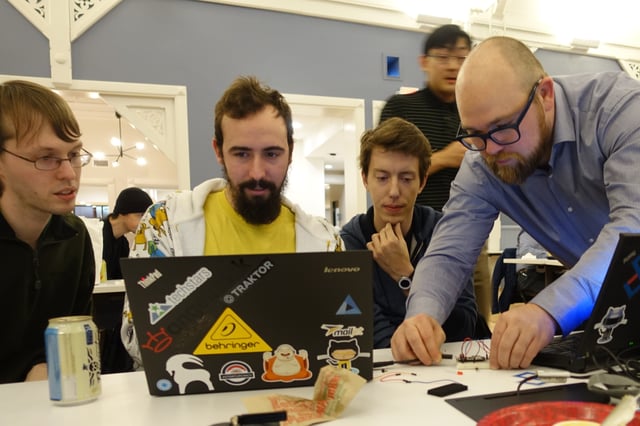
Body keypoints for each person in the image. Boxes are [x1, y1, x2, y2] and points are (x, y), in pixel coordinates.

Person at [391, 36, 640, 369]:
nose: (490, 150)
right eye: (474, 134)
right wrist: (422, 316)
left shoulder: (619, 110)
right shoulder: (482, 161)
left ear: (545, 96)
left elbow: (632, 230)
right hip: (615, 317)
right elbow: (449, 254)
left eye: (502, 128)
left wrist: (547, 310)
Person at [121, 76, 343, 367]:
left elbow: (337, 338)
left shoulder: (325, 240)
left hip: (292, 393)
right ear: (218, 151)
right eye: (241, 154)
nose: (257, 172)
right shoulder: (163, 224)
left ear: (290, 152)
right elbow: (137, 339)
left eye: (272, 154)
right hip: (189, 401)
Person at [379, 24, 492, 319]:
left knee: (473, 315)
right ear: (424, 62)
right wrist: (444, 158)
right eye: (443, 57)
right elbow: (386, 163)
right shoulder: (402, 106)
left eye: (462, 58)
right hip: (411, 230)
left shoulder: (475, 112)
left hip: (469, 230)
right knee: (404, 308)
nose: (453, 66)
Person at [340, 117, 480, 349]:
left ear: (422, 181)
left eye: (406, 179)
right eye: (382, 178)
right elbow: (365, 331)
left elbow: (465, 327)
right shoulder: (348, 244)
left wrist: (406, 276)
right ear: (365, 179)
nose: (394, 191)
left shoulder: (444, 234)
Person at [0, 80, 95, 383]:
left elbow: (76, 333)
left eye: (75, 154)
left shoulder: (75, 236)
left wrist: (45, 366)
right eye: (46, 158)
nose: (68, 173)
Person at [102, 187, 153, 280]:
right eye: (141, 215)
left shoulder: (122, 243)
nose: (145, 222)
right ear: (123, 212)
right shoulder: (96, 237)